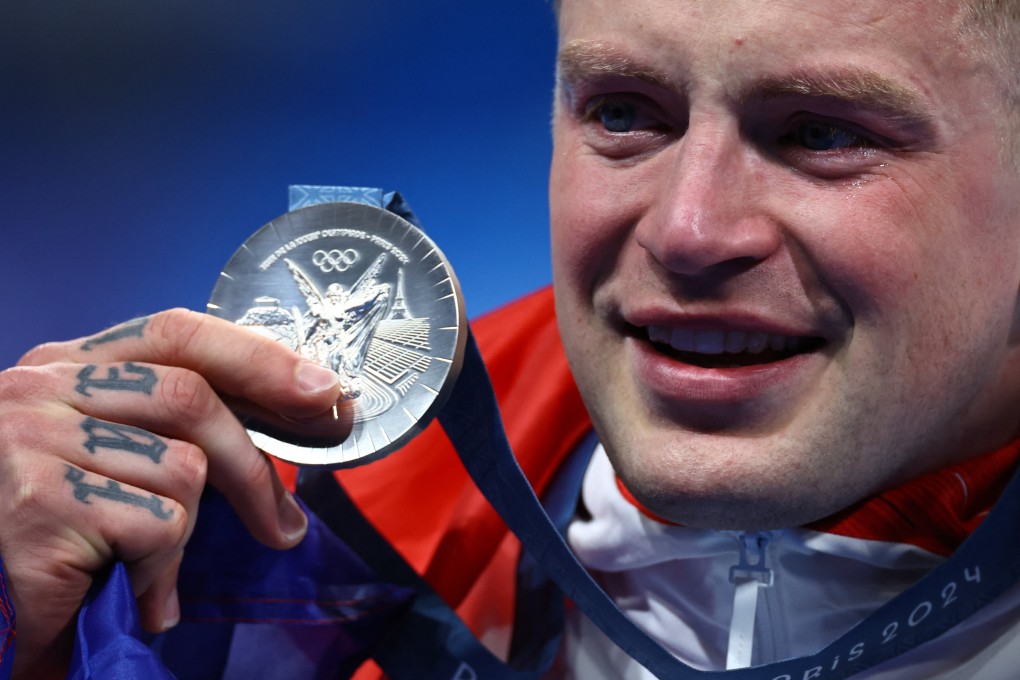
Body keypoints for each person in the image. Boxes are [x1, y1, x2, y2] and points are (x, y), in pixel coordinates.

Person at [2, 0, 1020, 677]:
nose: (689, 229)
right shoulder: (263, 550)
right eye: (624, 112)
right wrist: (31, 641)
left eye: (822, 133)